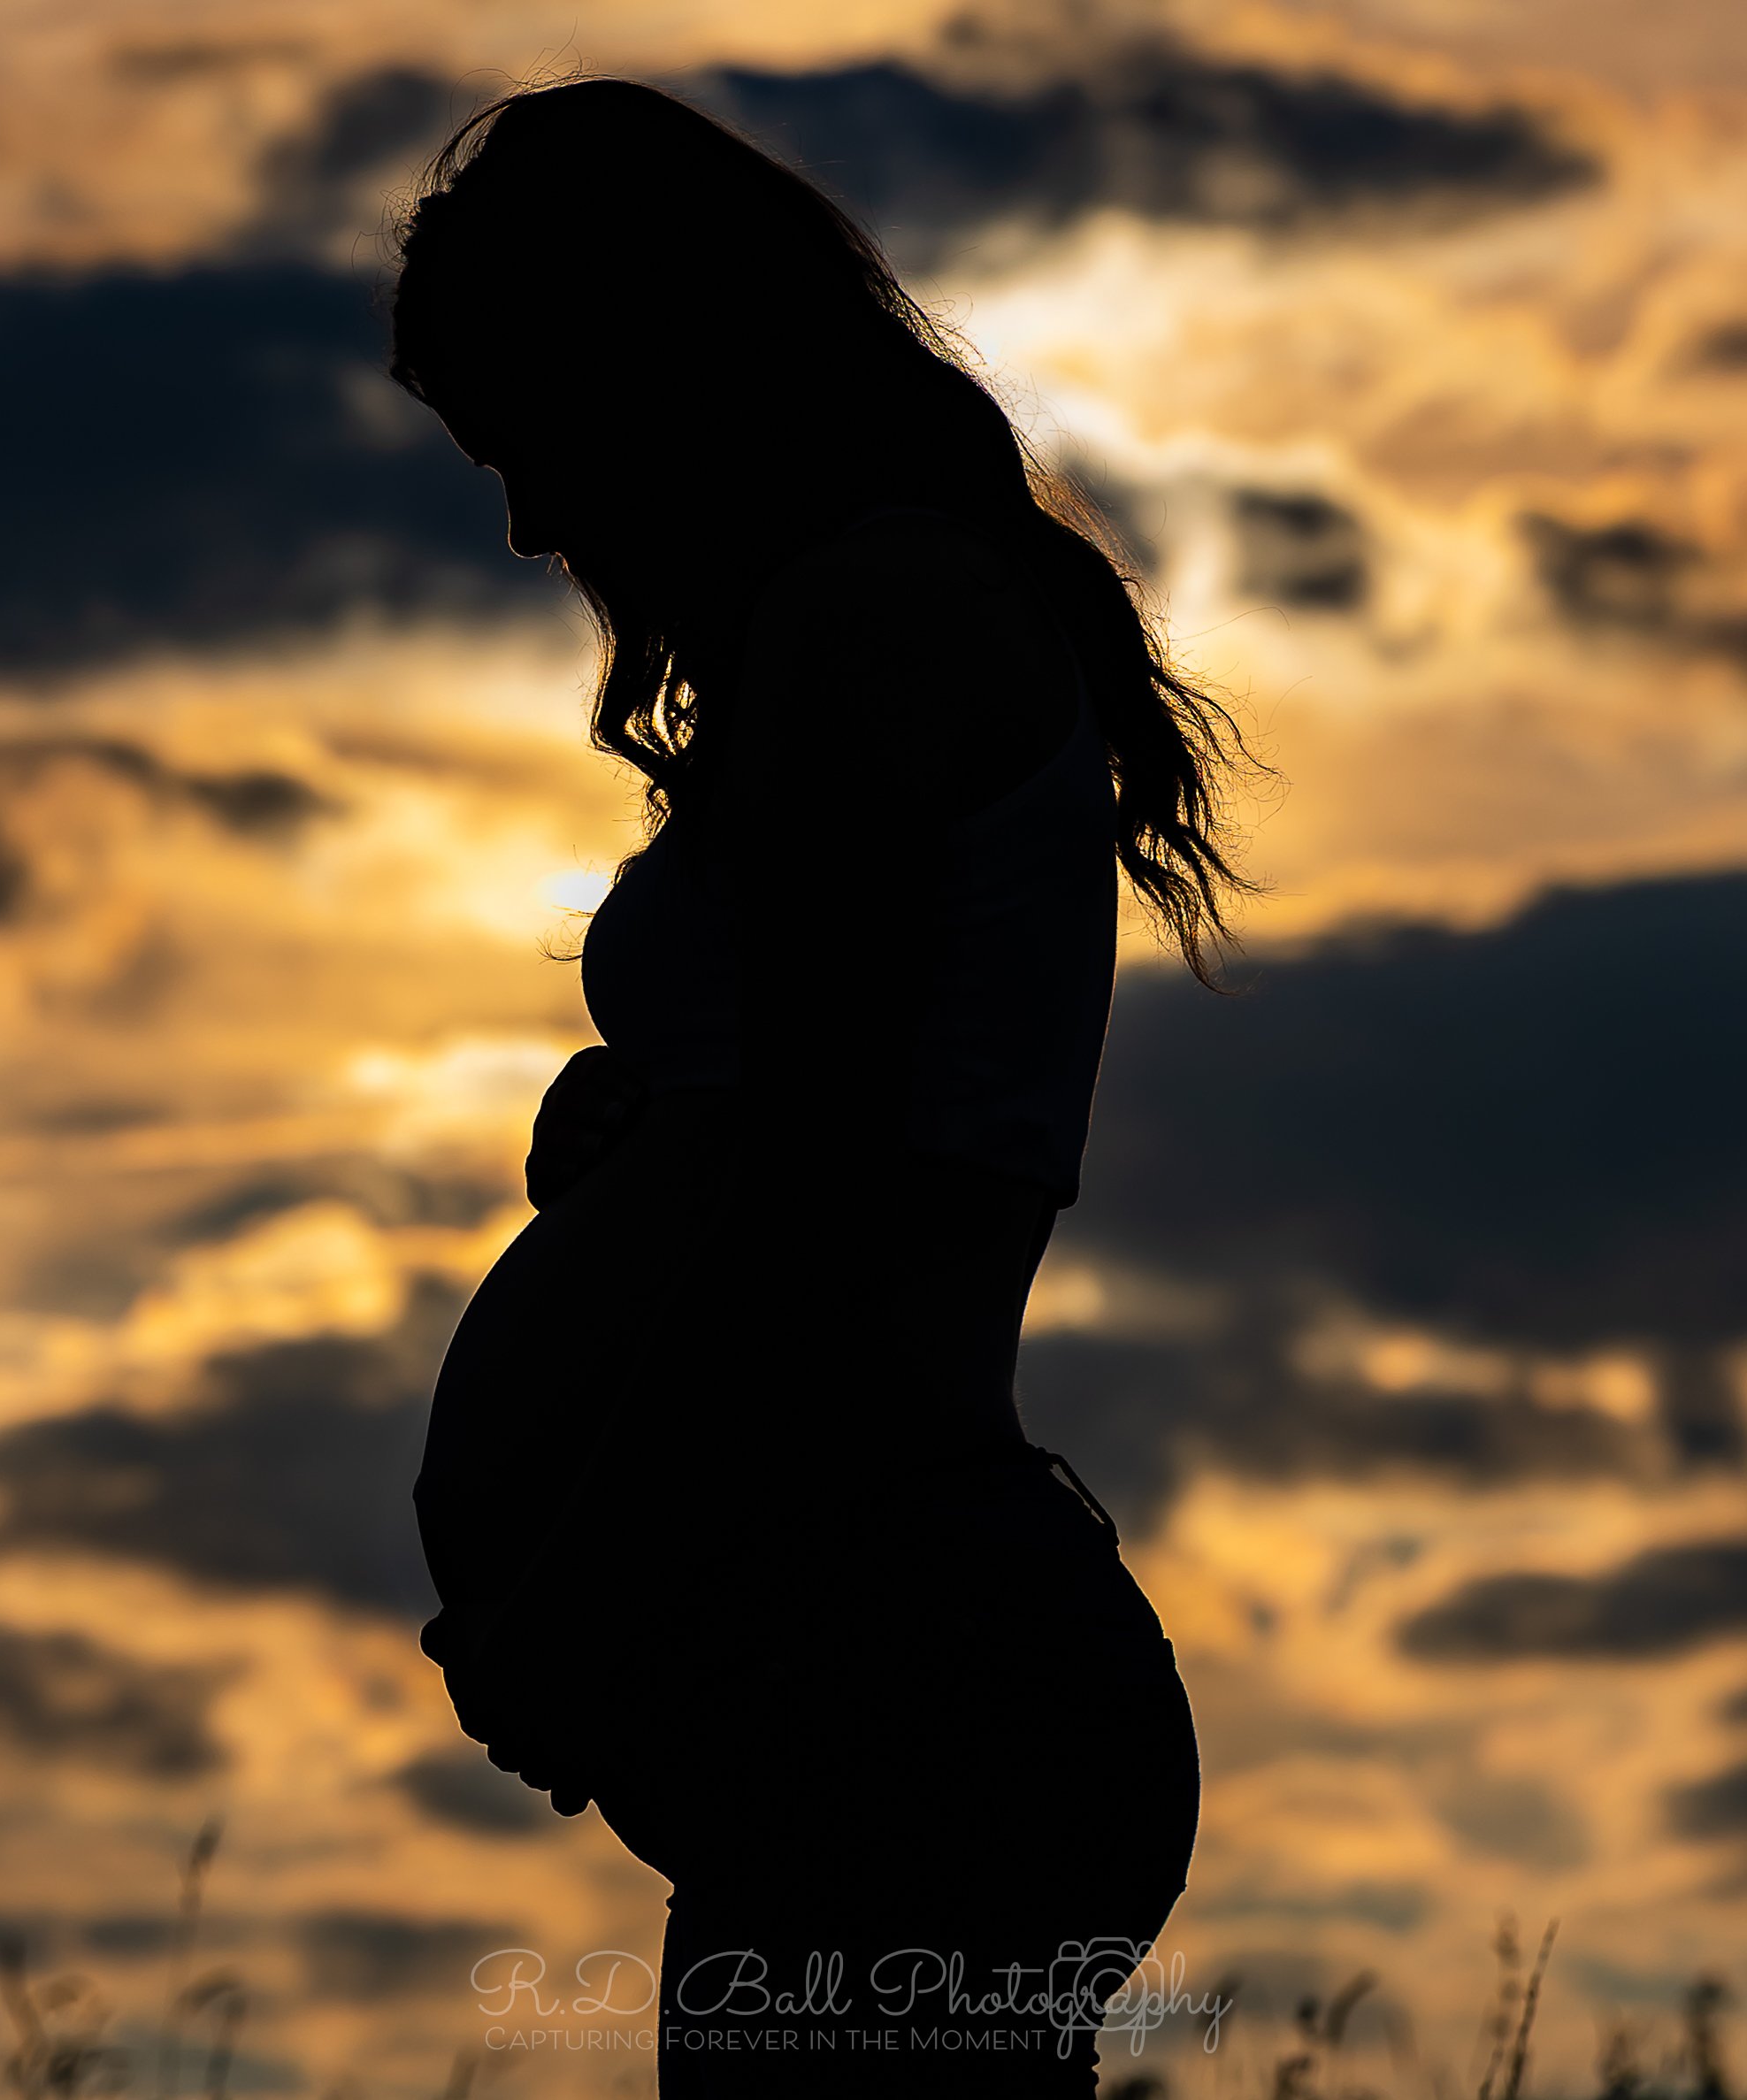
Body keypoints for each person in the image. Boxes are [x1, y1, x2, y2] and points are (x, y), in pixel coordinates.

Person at [387, 75, 1257, 2096]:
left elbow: (818, 1173)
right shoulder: (876, 621)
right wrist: (637, 1138)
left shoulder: (881, 625)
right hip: (870, 1665)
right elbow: (811, 1100)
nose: (528, 525)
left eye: (528, 436)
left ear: (658, 366)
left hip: (907, 1669)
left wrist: (582, 1567)